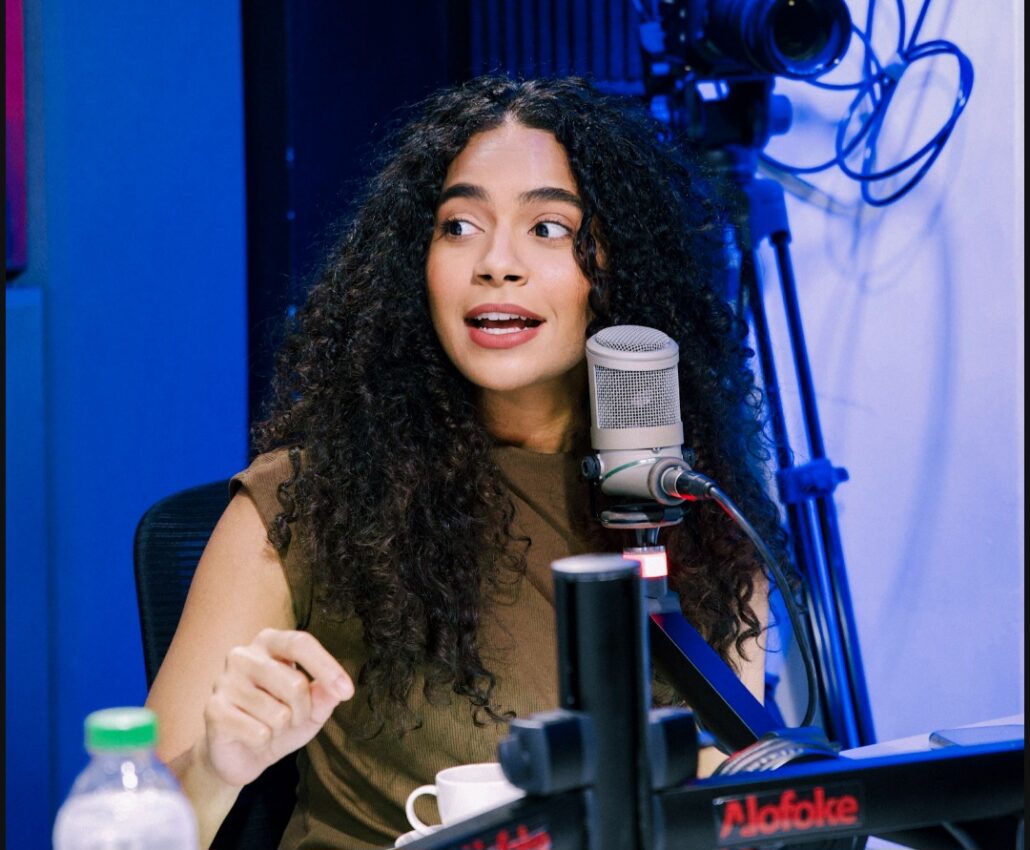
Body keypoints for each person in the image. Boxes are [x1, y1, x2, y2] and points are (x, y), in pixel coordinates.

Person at [145, 75, 787, 849]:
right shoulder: (305, 502)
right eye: (459, 226)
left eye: (548, 227)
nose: (496, 262)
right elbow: (130, 827)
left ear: (620, 266)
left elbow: (734, 808)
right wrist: (217, 766)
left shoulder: (701, 517)